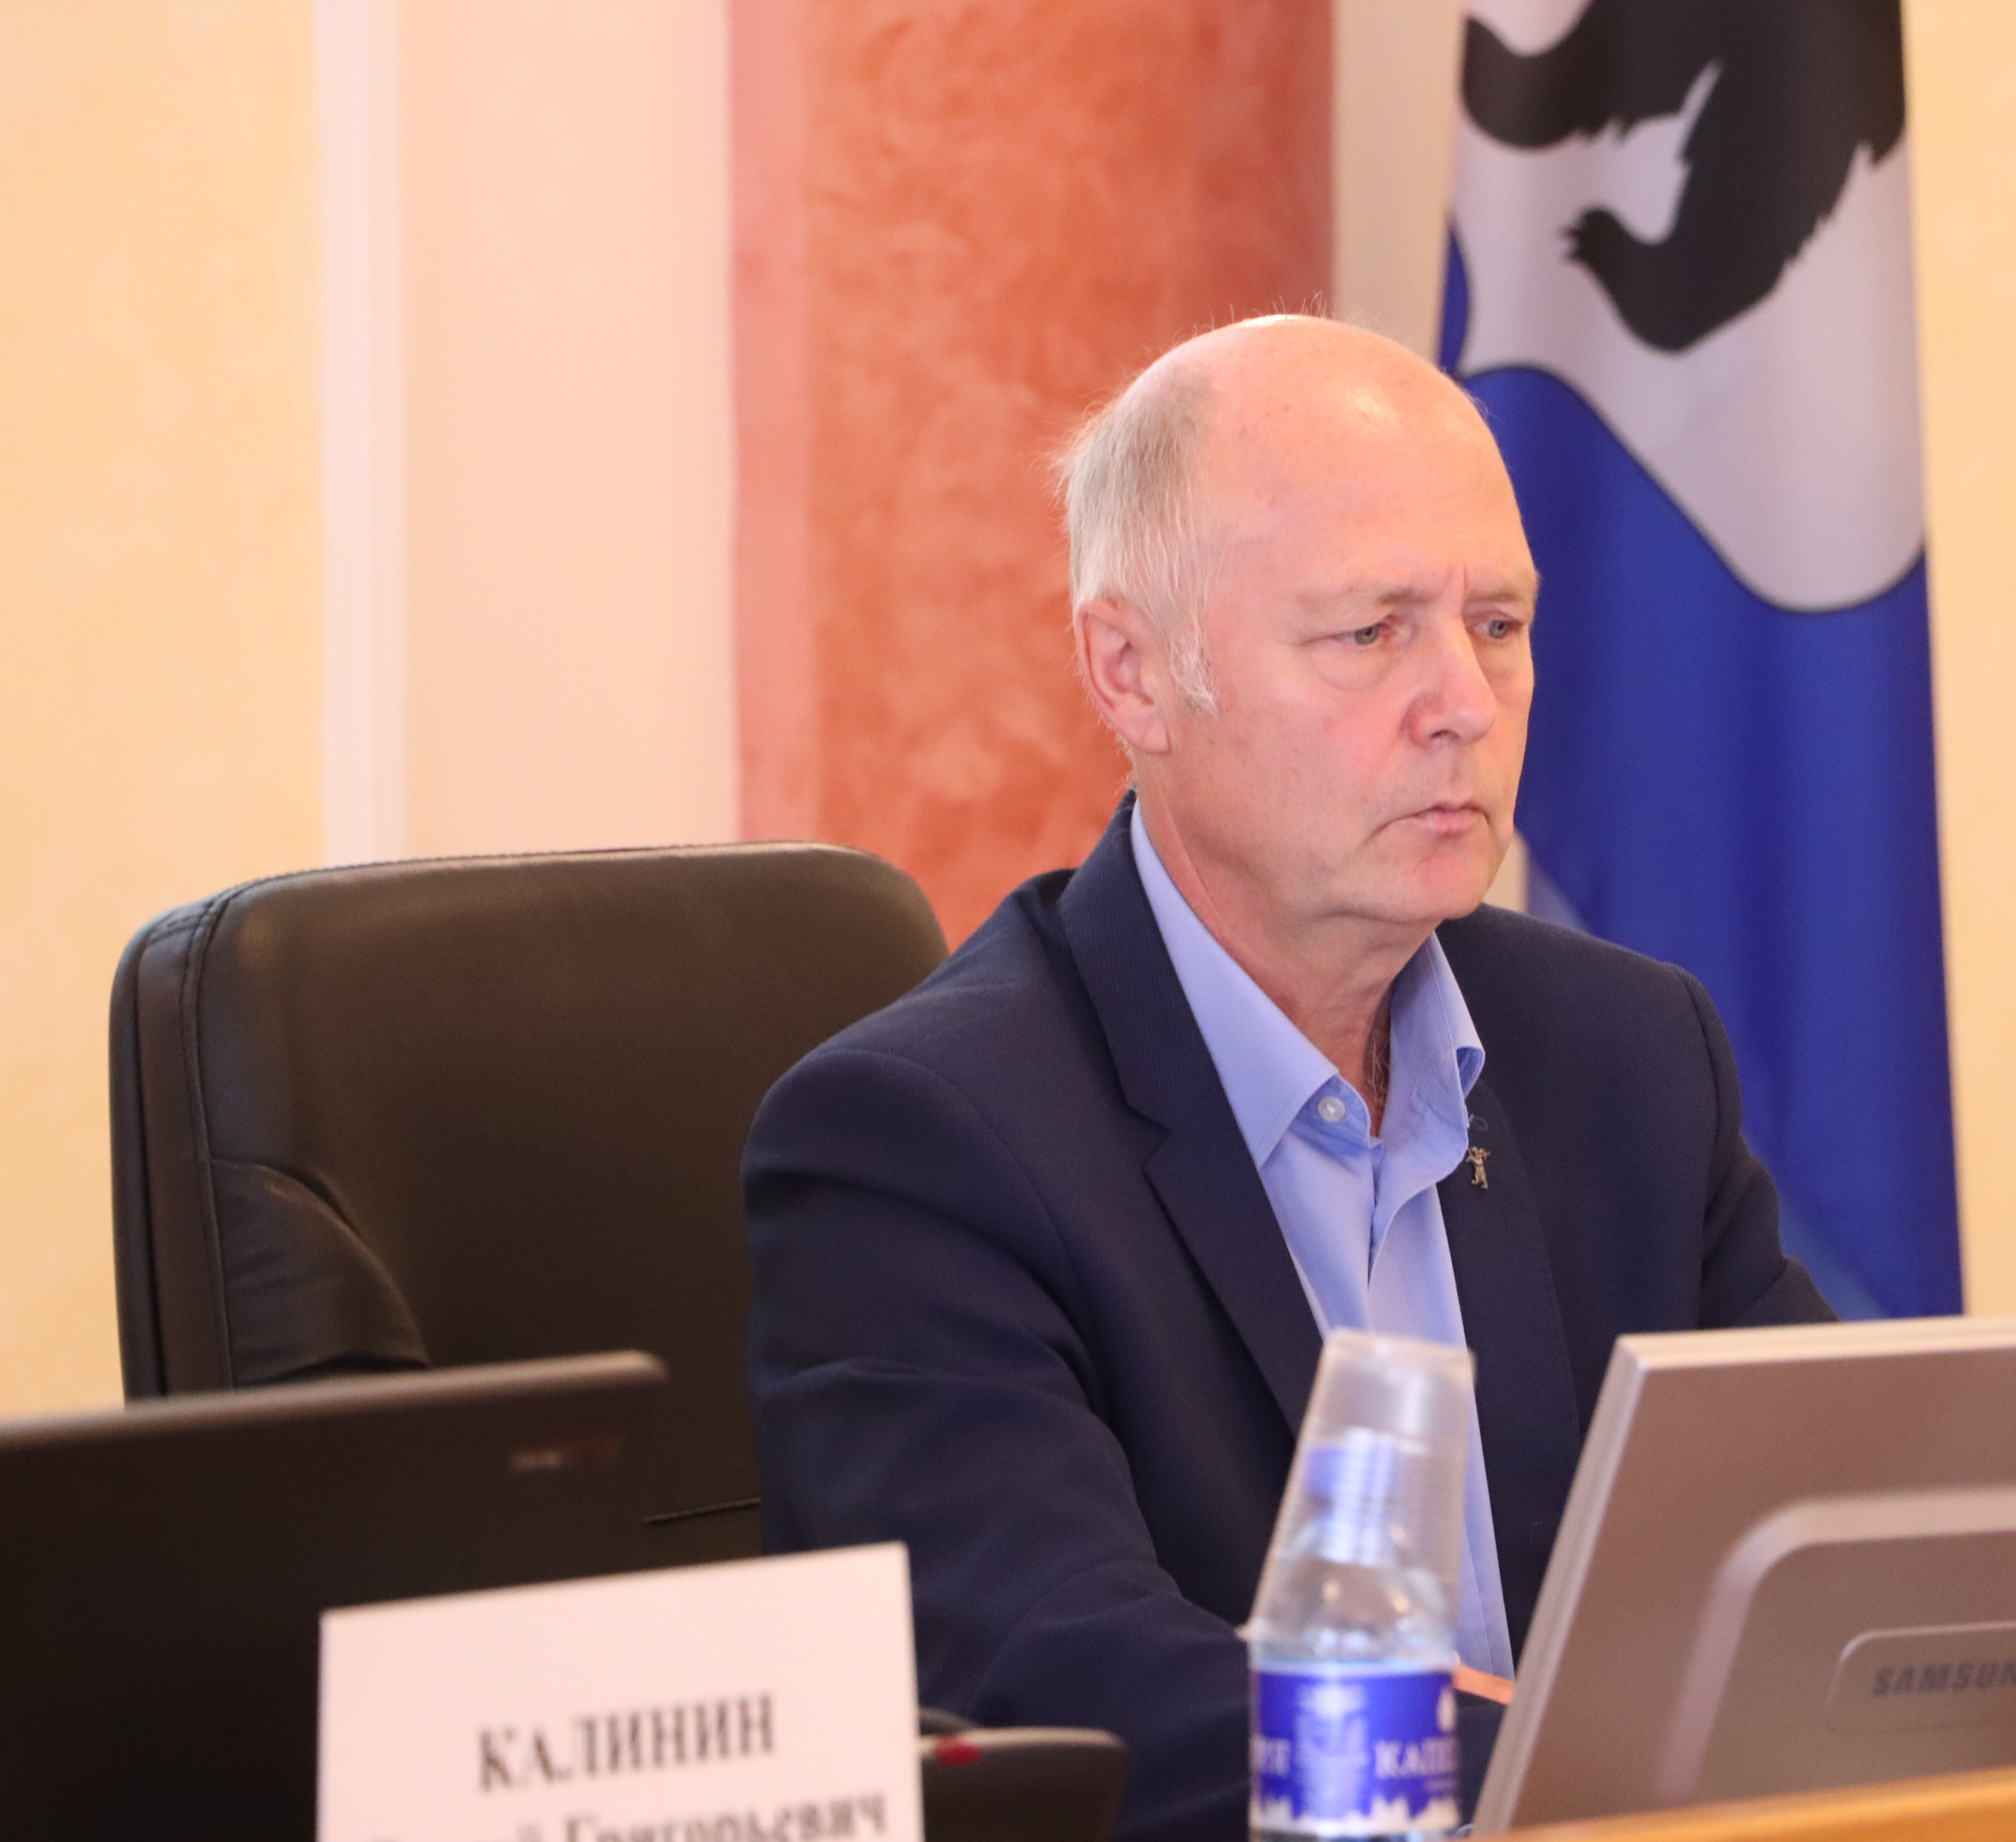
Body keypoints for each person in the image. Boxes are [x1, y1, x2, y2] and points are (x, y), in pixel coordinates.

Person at [744, 316, 1833, 1842]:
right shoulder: (920, 1145)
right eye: (1373, 632)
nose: (1464, 700)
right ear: (1132, 673)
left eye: (1499, 624)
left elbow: (1828, 1548)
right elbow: (1067, 1687)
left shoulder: (1631, 1058)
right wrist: (1564, 1763)